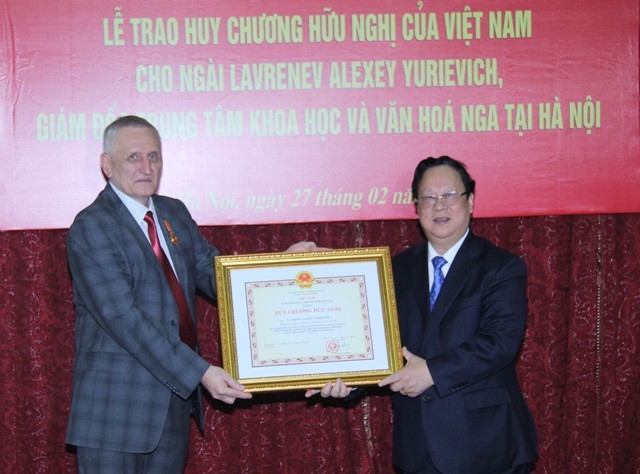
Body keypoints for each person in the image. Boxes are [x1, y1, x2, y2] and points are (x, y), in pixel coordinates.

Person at [65, 115, 318, 473]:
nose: (146, 167)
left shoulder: (173, 213)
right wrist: (200, 372)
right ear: (107, 165)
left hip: (171, 405)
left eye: (154, 157)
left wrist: (280, 266)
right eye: (133, 157)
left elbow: (218, 275)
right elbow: (124, 319)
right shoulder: (92, 226)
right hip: (115, 415)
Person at [376, 156, 538, 474]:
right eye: (429, 198)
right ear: (416, 206)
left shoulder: (501, 267)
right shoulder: (394, 269)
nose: (440, 206)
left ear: (471, 201)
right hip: (418, 447)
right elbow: (379, 343)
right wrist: (349, 381)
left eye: (450, 195)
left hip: (486, 446)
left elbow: (500, 342)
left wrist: (432, 372)